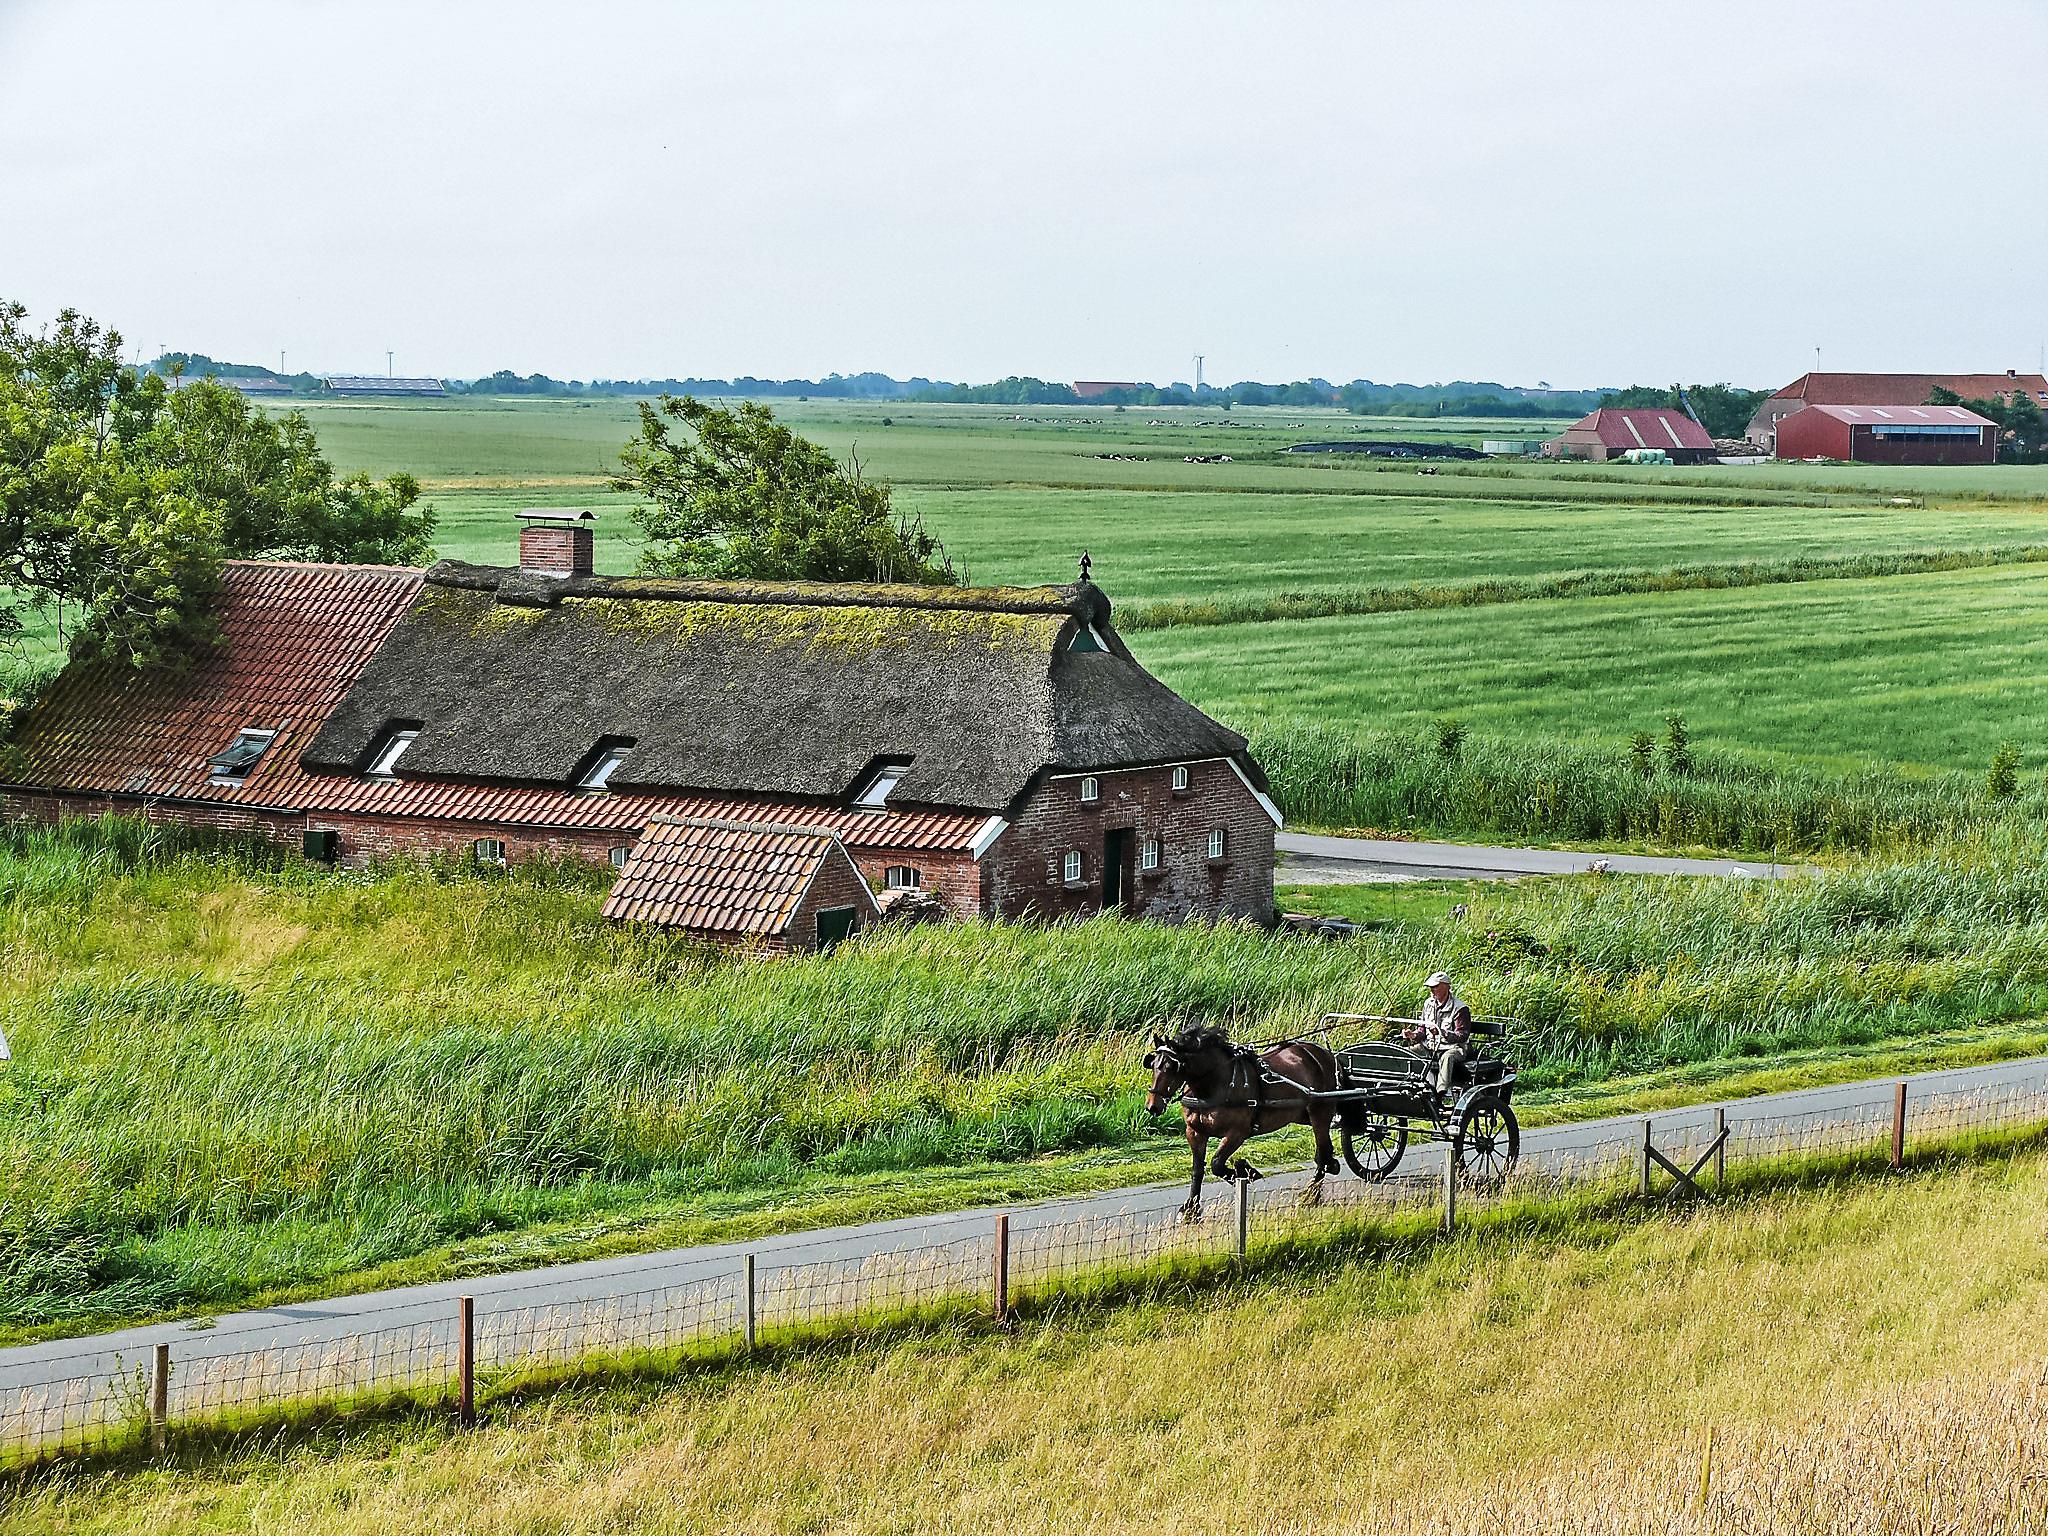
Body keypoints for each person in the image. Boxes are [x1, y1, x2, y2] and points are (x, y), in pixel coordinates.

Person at [1404, 970, 1471, 1097]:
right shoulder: (1428, 1004)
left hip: (1453, 1048)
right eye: (1430, 987)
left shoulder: (1460, 1008)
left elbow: (1462, 1036)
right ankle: (1406, 1085)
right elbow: (1422, 1030)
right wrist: (1413, 1035)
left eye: (1435, 987)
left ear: (1446, 987)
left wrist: (1441, 1032)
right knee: (1406, 1053)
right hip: (1429, 1046)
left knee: (1447, 1057)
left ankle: (1440, 1092)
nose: (1432, 990)